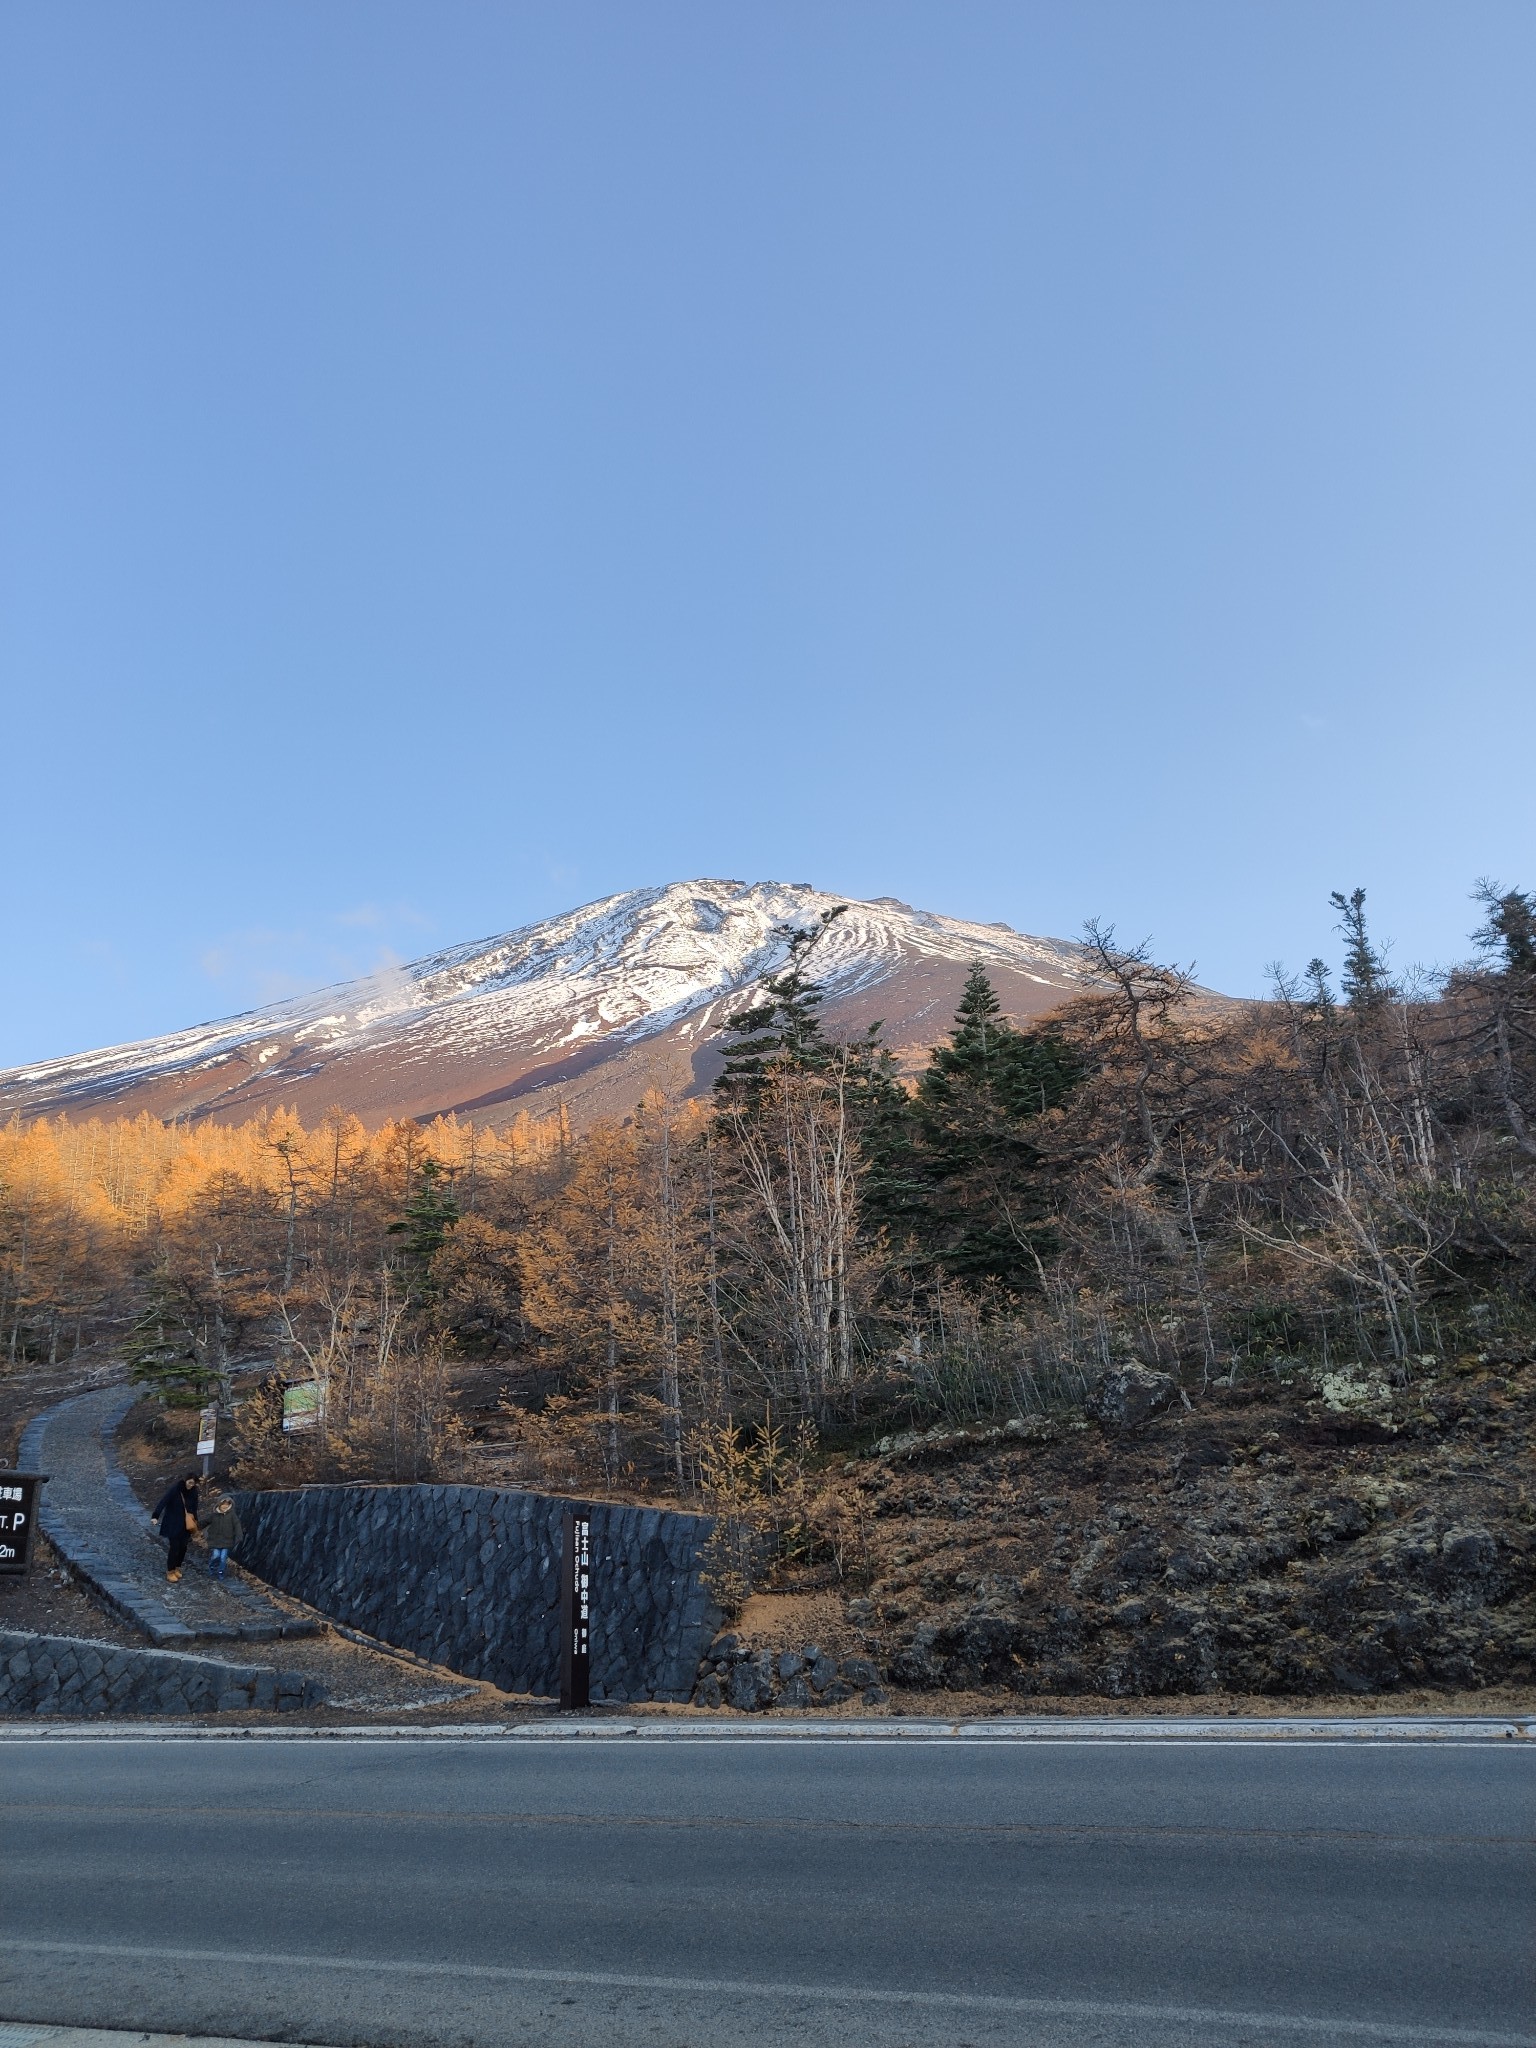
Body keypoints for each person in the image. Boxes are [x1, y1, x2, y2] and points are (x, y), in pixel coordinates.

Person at [151, 1472, 200, 1582]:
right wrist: (155, 1516)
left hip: (186, 1524)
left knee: (183, 1547)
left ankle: (178, 1567)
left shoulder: (194, 1492)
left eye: (194, 1483)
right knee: (174, 1547)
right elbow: (163, 1501)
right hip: (172, 1523)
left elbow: (194, 1508)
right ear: (185, 1480)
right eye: (190, 1482)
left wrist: (195, 1522)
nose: (191, 1485)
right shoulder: (175, 1489)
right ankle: (170, 1571)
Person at [203, 1493, 242, 1578]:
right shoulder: (214, 1515)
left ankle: (221, 1572)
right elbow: (205, 1522)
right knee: (216, 1556)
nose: (225, 1506)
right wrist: (196, 1526)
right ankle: (212, 1568)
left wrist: (239, 1535)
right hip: (215, 1540)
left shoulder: (232, 1515)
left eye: (227, 1504)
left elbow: (237, 1525)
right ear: (219, 1504)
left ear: (230, 1505)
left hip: (227, 1540)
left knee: (223, 1558)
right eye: (223, 1504)